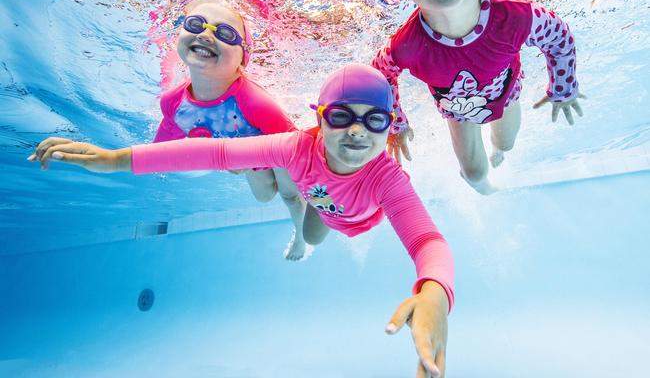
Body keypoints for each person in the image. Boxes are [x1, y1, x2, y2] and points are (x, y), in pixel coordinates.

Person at [30, 64, 454, 378]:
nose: (357, 132)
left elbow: (427, 242)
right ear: (320, 116)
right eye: (341, 116)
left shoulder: (387, 179)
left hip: (361, 217)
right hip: (323, 210)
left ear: (388, 127)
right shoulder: (295, 148)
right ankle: (303, 238)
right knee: (310, 231)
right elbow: (216, 153)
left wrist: (435, 292)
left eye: (374, 120)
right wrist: (117, 159)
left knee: (317, 222)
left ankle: (308, 230)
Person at [373, 0, 586, 194]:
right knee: (473, 173)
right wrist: (396, 123)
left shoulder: (516, 16)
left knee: (505, 143)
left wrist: (563, 88)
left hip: (507, 95)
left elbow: (559, 36)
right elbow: (380, 74)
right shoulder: (406, 45)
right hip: (457, 111)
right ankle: (489, 193)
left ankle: (499, 154)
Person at [155, 0, 308, 260]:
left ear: (243, 58)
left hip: (279, 150)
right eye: (195, 24)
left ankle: (301, 237)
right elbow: (161, 151)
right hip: (249, 157)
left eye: (225, 34)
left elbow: (295, 146)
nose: (205, 35)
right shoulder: (173, 102)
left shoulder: (257, 103)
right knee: (263, 197)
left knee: (289, 195)